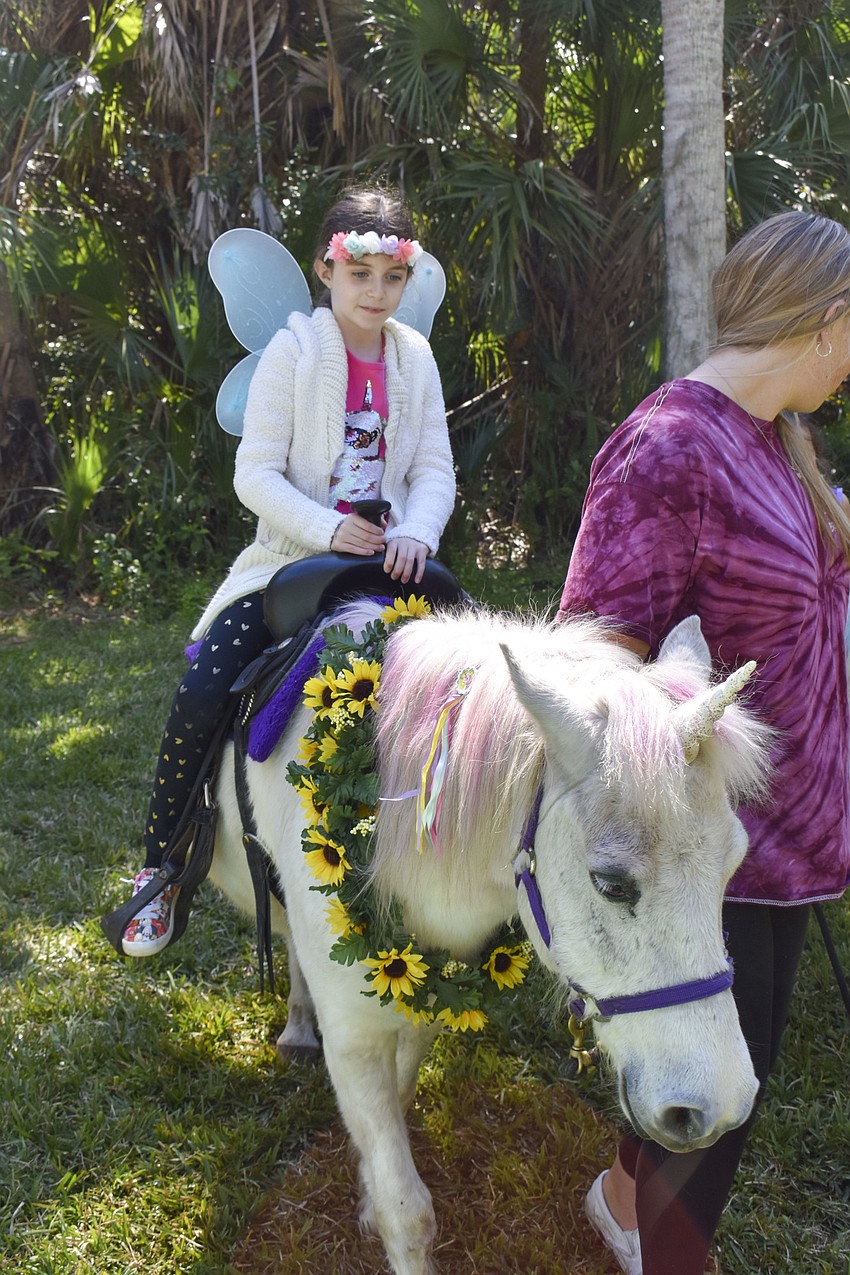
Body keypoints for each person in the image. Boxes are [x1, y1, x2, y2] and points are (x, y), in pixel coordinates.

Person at [559, 209, 850, 1274]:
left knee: (713, 1078)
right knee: (717, 1093)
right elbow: (591, 660)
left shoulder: (778, 440)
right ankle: (671, 1259)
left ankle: (623, 1207)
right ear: (827, 319)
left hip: (795, 832)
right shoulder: (670, 446)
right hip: (717, 851)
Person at [121, 185, 456, 957]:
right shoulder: (294, 353)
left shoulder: (416, 358)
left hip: (393, 566)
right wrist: (328, 527)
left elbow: (434, 466)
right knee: (205, 686)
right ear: (326, 270)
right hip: (290, 564)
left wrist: (417, 529)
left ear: (407, 281)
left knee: (473, 681)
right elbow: (257, 474)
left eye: (392, 278)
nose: (377, 293)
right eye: (360, 274)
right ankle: (161, 870)